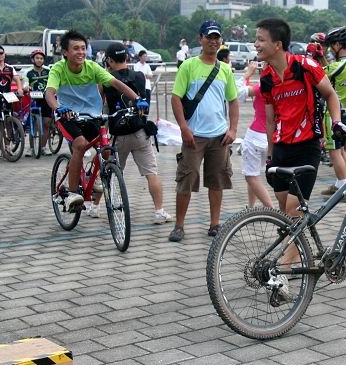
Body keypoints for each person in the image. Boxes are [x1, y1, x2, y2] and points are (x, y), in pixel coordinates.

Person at [256, 17, 343, 301]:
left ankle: (282, 275)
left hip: (307, 147)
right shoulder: (266, 77)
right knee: (288, 215)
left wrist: (338, 124)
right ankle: (300, 253)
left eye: (261, 40)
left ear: (277, 44)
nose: (256, 44)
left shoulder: (306, 66)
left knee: (293, 210)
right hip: (281, 149)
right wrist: (270, 153)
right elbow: (270, 118)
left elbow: (331, 95)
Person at [45, 30, 148, 213]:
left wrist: (137, 99)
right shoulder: (58, 69)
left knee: (106, 150)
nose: (81, 52)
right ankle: (72, 192)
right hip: (67, 116)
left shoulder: (92, 67)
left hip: (92, 115)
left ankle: (95, 176)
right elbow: (50, 93)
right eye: (75, 48)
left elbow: (117, 84)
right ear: (65, 52)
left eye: (83, 48)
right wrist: (57, 107)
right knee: (80, 144)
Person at [170, 20, 239, 242]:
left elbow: (234, 101)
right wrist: (183, 128)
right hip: (194, 136)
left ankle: (215, 224)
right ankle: (179, 225)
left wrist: (233, 129)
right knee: (186, 179)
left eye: (217, 37)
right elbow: (176, 98)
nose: (213, 41)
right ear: (200, 38)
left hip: (219, 137)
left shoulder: (225, 69)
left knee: (217, 180)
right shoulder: (189, 66)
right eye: (209, 37)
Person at [103, 42, 173, 224]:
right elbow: (145, 99)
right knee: (151, 172)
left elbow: (99, 103)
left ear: (109, 60)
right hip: (139, 132)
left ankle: (96, 207)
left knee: (112, 172)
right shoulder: (139, 76)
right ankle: (159, 211)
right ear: (127, 57)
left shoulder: (105, 79)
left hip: (118, 134)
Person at [320, 26, 346, 201]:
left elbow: (320, 75)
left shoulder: (338, 65)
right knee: (340, 148)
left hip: (332, 113)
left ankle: (343, 189)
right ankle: (340, 183)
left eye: (330, 46)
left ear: (337, 45)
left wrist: (317, 57)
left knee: (333, 150)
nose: (329, 49)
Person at [239, 61, 273, 208]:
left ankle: (271, 209)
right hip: (272, 137)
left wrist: (247, 74)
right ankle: (251, 206)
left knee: (251, 176)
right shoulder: (279, 86)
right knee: (254, 173)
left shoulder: (260, 88)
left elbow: (238, 93)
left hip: (255, 136)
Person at [23, 48, 53, 157]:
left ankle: (43, 147)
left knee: (46, 123)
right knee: (34, 124)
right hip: (34, 99)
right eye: (37, 58)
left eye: (41, 58)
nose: (39, 60)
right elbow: (25, 84)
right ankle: (31, 148)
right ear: (33, 59)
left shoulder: (49, 71)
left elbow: (53, 82)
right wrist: (26, 87)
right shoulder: (28, 72)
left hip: (47, 99)